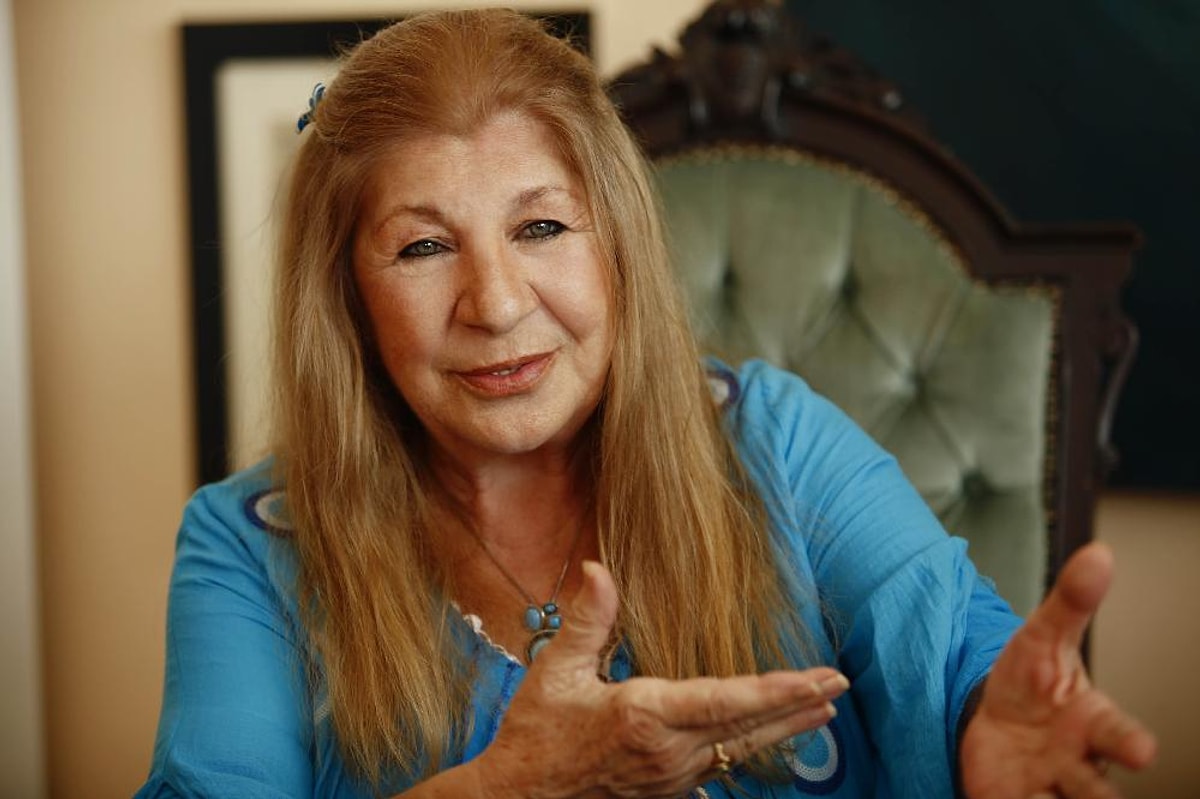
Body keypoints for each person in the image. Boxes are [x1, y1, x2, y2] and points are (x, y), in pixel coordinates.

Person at [136, 9, 1156, 799]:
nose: (496, 304)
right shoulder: (246, 547)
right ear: (346, 298)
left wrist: (988, 726)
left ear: (618, 244)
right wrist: (510, 787)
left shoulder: (777, 438)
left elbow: (953, 646)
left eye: (541, 228)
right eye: (424, 246)